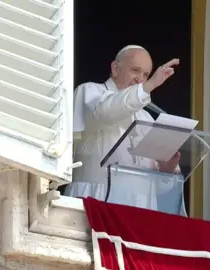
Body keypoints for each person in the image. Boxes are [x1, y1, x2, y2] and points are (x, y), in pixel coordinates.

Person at [65, 45, 185, 215]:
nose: (140, 80)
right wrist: (149, 85)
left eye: (146, 75)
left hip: (140, 213)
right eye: (135, 70)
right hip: (95, 203)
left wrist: (166, 170)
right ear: (115, 68)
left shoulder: (146, 119)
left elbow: (158, 188)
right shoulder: (90, 92)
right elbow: (106, 111)